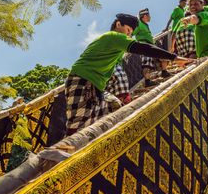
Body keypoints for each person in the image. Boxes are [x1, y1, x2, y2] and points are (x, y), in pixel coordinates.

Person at [65, 13, 193, 135]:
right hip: (83, 81)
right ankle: (57, 155)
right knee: (77, 127)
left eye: (131, 33)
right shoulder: (114, 37)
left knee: (114, 108)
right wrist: (174, 58)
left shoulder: (113, 45)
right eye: (128, 31)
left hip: (96, 86)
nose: (129, 35)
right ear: (118, 24)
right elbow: (144, 48)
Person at [133, 8, 169, 85]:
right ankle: (147, 81)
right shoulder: (138, 24)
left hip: (151, 45)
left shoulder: (145, 25)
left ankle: (164, 72)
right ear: (145, 16)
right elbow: (131, 34)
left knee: (164, 56)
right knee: (146, 64)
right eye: (149, 15)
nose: (150, 17)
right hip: (144, 46)